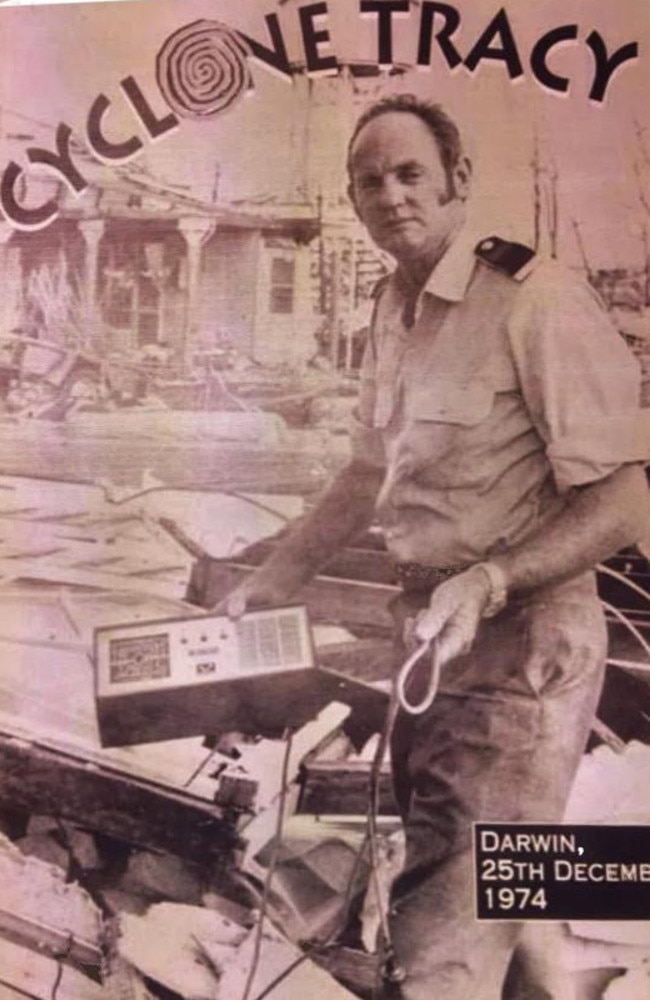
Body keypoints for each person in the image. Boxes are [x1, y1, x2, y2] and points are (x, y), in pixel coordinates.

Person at [212, 95, 650, 998]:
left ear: (458, 180)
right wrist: (273, 578)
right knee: (510, 893)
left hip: (521, 646)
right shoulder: (395, 306)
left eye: (411, 174)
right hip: (433, 643)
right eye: (370, 181)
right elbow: (367, 471)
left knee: (438, 945)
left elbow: (624, 497)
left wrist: (490, 581)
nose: (391, 195)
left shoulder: (534, 298)